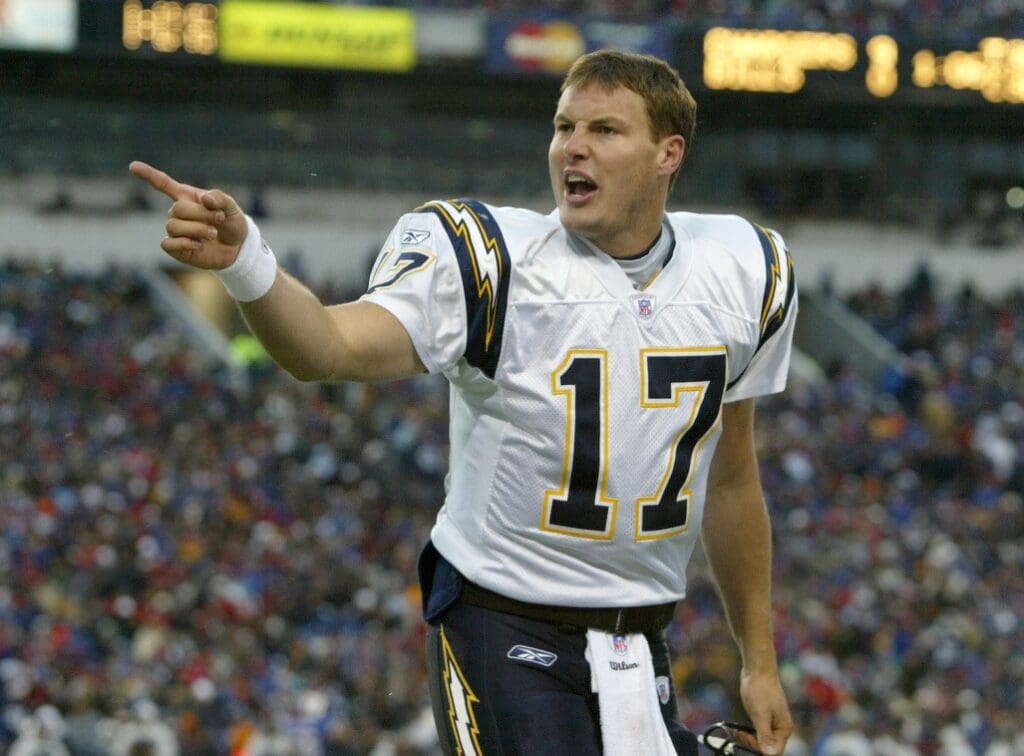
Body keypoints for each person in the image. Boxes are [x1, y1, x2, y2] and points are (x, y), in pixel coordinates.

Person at [130, 49, 796, 756]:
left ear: (669, 153)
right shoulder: (493, 259)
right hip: (503, 619)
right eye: (564, 125)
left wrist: (758, 658)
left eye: (604, 130)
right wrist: (246, 262)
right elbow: (326, 347)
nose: (573, 146)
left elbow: (729, 480)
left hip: (639, 633)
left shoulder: (743, 268)